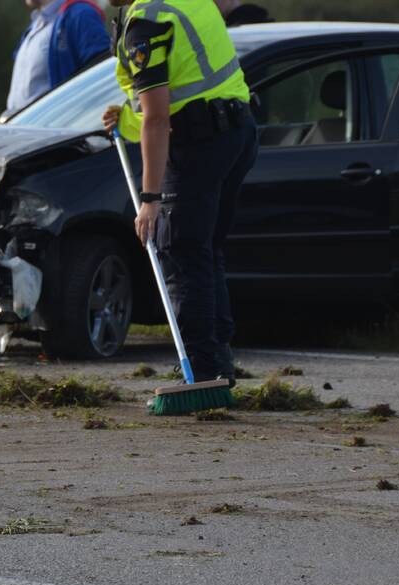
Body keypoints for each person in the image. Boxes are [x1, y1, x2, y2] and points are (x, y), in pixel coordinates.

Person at [104, 0, 257, 385]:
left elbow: (158, 119)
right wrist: (127, 118)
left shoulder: (147, 24)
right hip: (237, 131)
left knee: (183, 252)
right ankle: (218, 360)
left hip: (199, 143)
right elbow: (182, 87)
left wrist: (150, 200)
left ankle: (202, 373)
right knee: (205, 251)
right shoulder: (181, 2)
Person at [3, 0, 110, 119]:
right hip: (23, 131)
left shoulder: (81, 14)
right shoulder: (36, 24)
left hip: (54, 131)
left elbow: (102, 78)